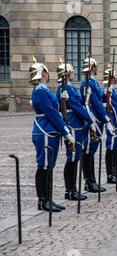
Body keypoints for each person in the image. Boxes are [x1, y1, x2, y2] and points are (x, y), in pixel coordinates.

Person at [30, 56, 75, 212]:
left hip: (49, 130)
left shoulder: (43, 90)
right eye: (46, 73)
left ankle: (47, 198)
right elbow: (51, 113)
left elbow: (54, 108)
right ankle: (43, 200)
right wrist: (65, 131)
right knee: (44, 166)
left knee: (49, 165)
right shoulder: (40, 91)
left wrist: (61, 98)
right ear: (42, 74)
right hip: (45, 130)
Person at [56, 59, 95, 201]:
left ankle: (72, 189)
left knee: (75, 157)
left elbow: (80, 103)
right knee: (71, 158)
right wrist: (90, 120)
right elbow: (76, 107)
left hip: (77, 125)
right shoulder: (63, 87)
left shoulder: (70, 87)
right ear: (66, 74)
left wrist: (87, 96)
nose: (73, 73)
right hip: (72, 124)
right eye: (71, 72)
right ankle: (70, 189)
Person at [80, 56, 117, 193]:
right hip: (92, 117)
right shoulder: (87, 83)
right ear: (92, 68)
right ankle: (89, 181)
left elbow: (100, 99)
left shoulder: (93, 83)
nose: (96, 69)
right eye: (95, 67)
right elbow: (93, 102)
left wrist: (107, 93)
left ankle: (92, 179)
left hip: (97, 117)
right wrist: (106, 118)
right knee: (88, 151)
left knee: (92, 151)